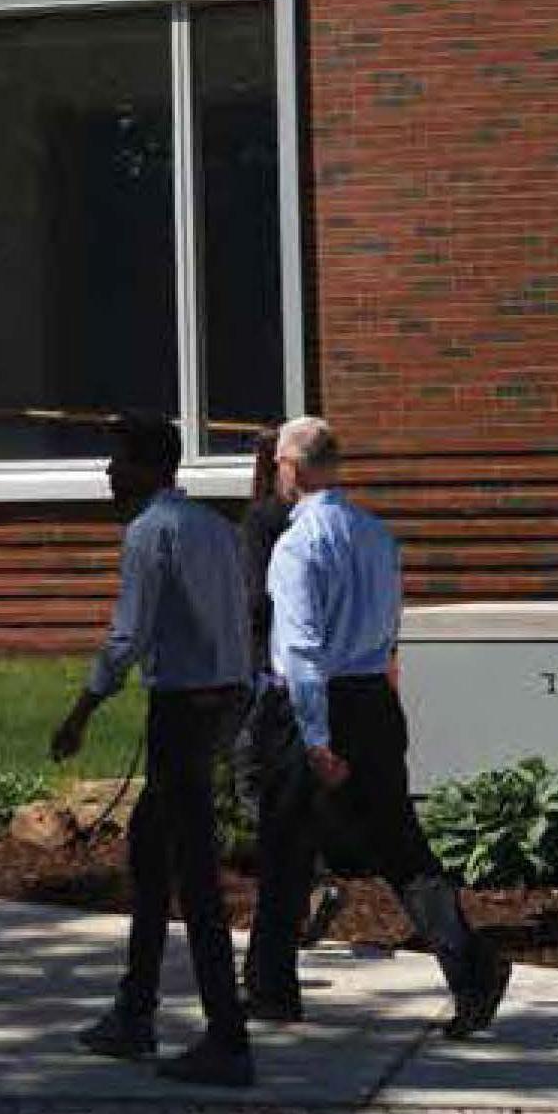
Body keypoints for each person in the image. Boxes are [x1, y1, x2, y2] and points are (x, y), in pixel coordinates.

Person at [262, 415, 508, 1039]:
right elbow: (388, 625)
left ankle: (271, 989)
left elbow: (301, 652)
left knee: (286, 847)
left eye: (281, 465)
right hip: (374, 700)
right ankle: (470, 967)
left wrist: (315, 738)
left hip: (325, 707)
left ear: (292, 468)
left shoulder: (297, 546)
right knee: (401, 845)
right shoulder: (377, 536)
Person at [51, 411, 258, 1087]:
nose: (108, 473)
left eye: (117, 461)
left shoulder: (149, 532)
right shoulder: (217, 529)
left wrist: (81, 709)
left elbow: (127, 635)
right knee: (150, 852)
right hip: (221, 702)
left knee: (193, 877)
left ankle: (226, 1038)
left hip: (181, 713)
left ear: (146, 467)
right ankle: (134, 1011)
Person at [233, 424, 342, 1020]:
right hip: (336, 680)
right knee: (293, 806)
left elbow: (257, 602)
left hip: (268, 677)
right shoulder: (343, 528)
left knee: (258, 790)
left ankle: (307, 886)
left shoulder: (265, 524)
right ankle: (305, 892)